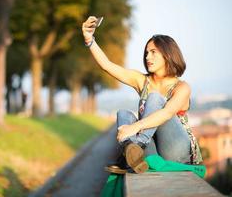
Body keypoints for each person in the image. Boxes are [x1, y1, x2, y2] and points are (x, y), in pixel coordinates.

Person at [82, 16, 203, 174]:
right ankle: (133, 152)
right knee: (123, 114)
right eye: (146, 53)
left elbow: (166, 113)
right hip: (152, 151)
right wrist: (89, 39)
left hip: (177, 152)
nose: (147, 57)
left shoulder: (181, 87)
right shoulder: (142, 81)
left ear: (168, 54)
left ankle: (133, 148)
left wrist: (135, 127)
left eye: (153, 52)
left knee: (154, 98)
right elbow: (107, 66)